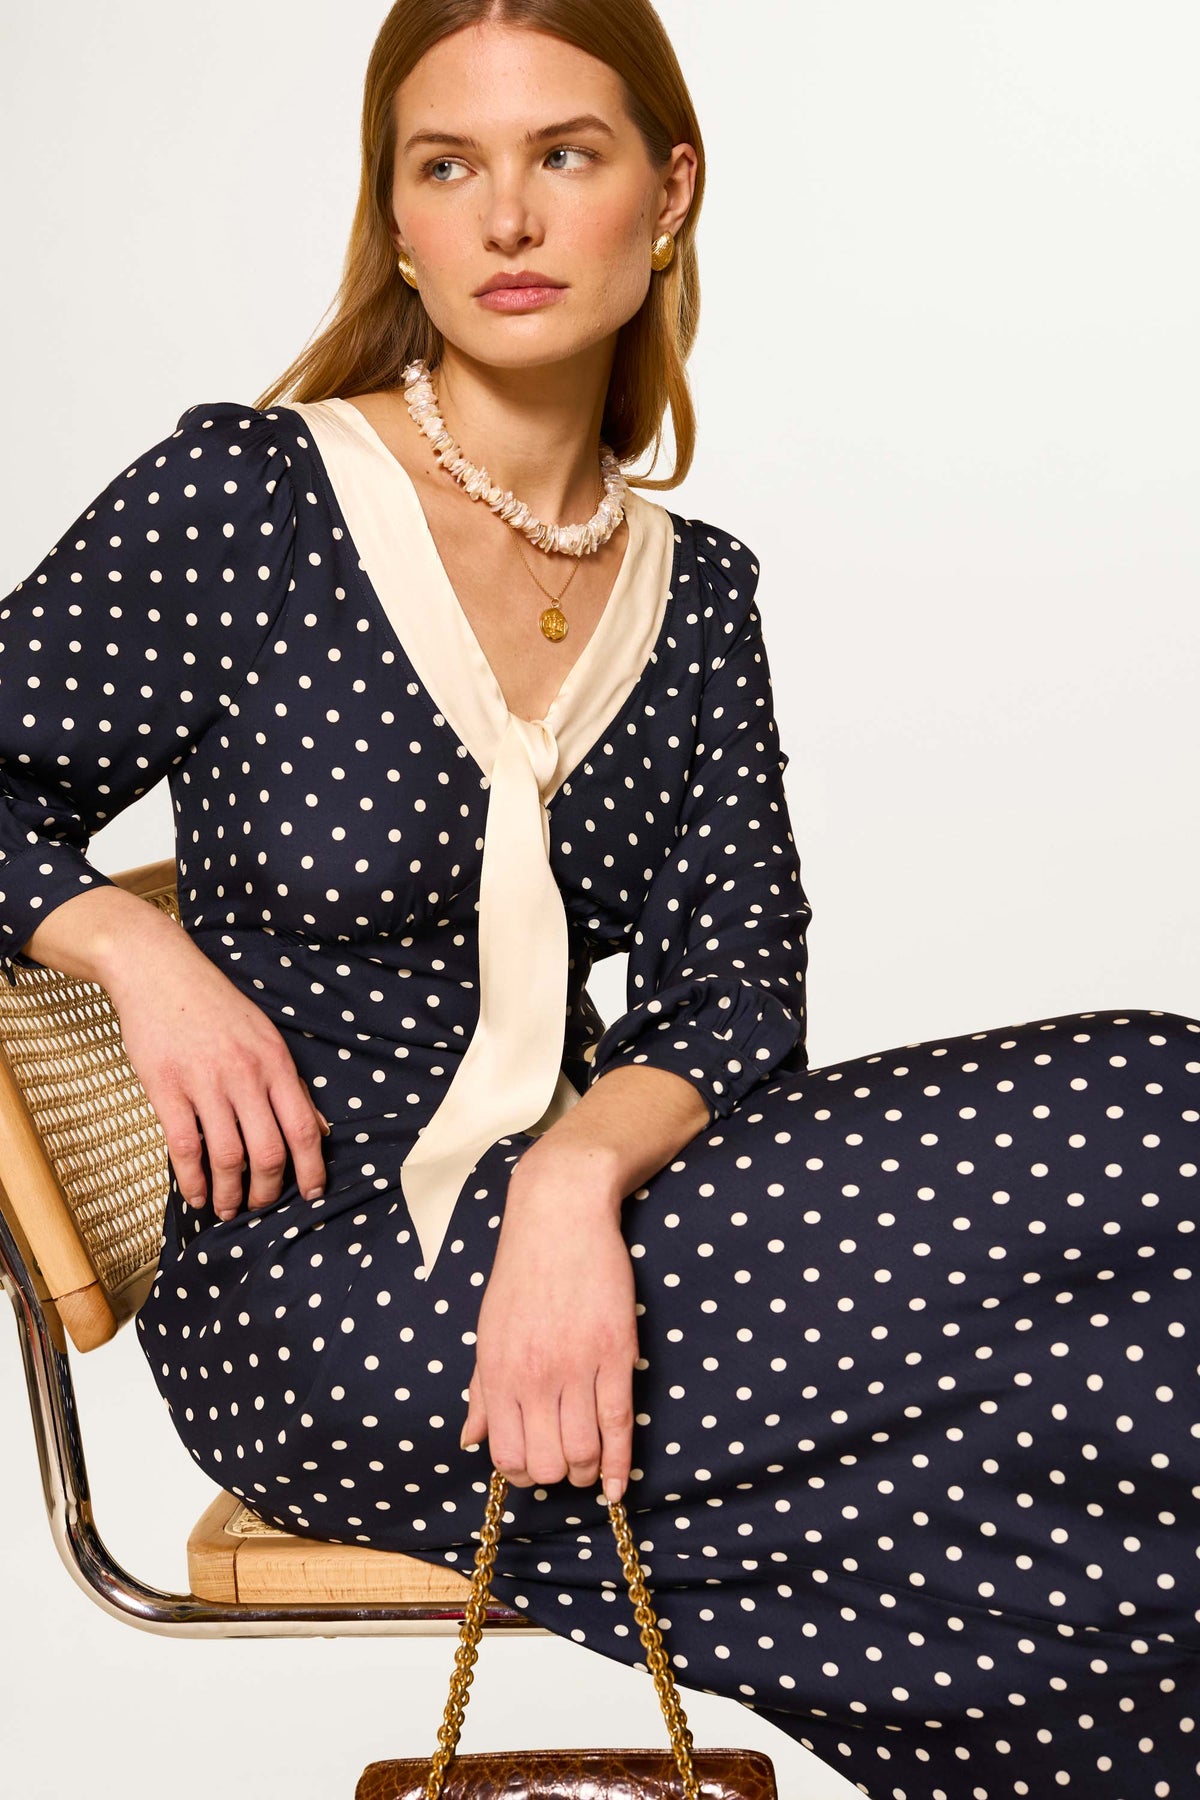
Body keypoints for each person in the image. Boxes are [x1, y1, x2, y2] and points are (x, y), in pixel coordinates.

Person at [1, 3, 1196, 1794]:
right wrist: (123, 942)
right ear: (399, 220)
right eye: (447, 166)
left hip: (590, 1248)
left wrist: (571, 1180)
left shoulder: (694, 596)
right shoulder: (252, 501)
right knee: (1154, 1131)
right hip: (328, 1293)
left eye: (564, 153)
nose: (507, 216)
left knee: (1130, 1311)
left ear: (668, 191)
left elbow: (737, 996)